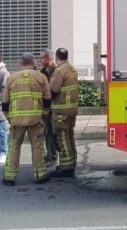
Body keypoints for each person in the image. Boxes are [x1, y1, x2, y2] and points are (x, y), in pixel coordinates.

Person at [1, 53, 51, 185]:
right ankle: (40, 175)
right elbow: (47, 99)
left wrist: (9, 118)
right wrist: (43, 114)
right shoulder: (41, 77)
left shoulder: (11, 78)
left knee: (14, 147)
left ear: (20, 63)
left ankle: (10, 177)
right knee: (37, 146)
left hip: (16, 120)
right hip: (36, 118)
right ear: (33, 62)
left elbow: (5, 102)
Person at [50, 47, 79, 178]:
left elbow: (54, 89)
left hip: (61, 110)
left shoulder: (59, 70)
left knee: (62, 138)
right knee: (70, 137)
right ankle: (72, 162)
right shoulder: (72, 68)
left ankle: (66, 167)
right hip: (72, 110)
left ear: (57, 58)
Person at [39, 49, 58, 163]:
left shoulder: (56, 71)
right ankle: (49, 154)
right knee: (47, 132)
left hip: (54, 107)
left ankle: (53, 155)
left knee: (53, 132)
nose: (40, 60)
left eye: (42, 58)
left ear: (48, 58)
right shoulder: (42, 72)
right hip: (45, 107)